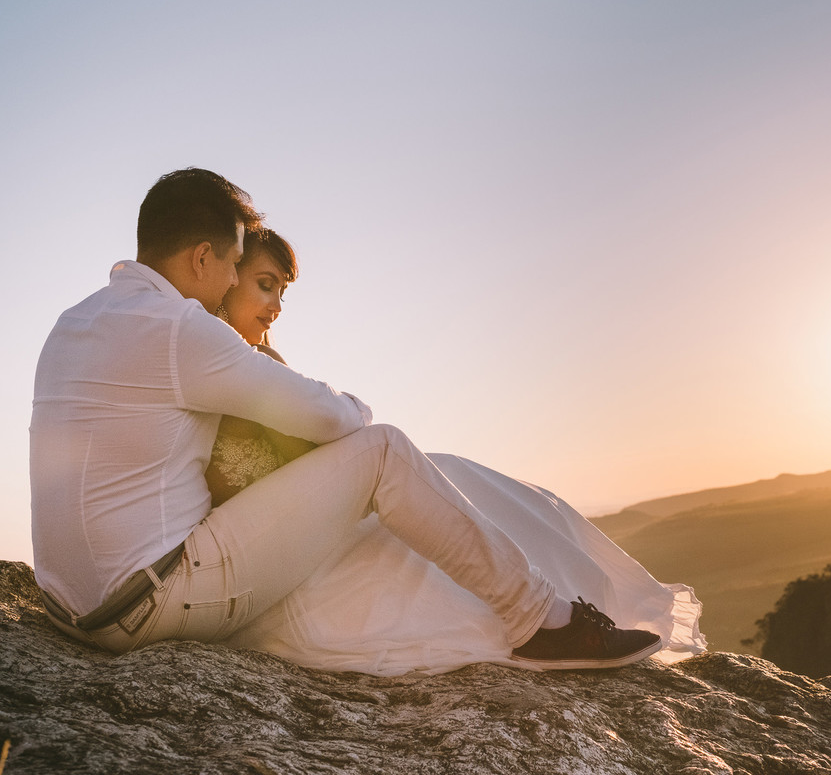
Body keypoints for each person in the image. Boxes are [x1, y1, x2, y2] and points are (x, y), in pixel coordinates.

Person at [30, 167, 683, 671]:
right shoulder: (179, 329)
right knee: (382, 449)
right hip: (145, 606)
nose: (233, 279)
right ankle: (541, 620)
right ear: (201, 258)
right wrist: (356, 410)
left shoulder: (79, 321)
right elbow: (327, 419)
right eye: (233, 263)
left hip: (73, 608)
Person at [204, 227, 704, 675]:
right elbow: (335, 442)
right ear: (226, 278)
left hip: (300, 541)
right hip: (275, 569)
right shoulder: (231, 367)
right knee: (432, 486)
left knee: (450, 475)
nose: (276, 306)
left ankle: (560, 610)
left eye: (282, 292)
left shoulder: (246, 363)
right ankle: (549, 620)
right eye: (264, 284)